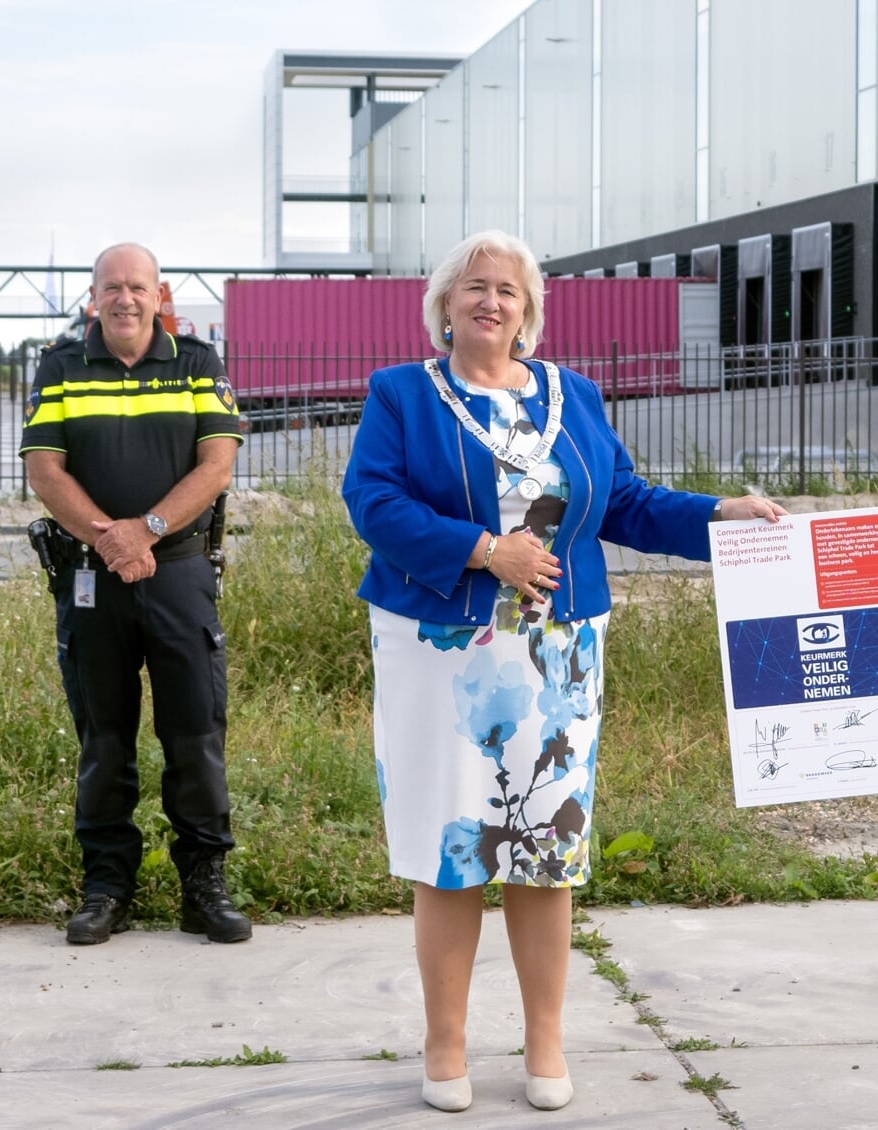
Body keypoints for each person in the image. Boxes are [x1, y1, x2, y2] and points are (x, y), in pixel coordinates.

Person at [341, 230, 785, 1114]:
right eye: (474, 287)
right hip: (441, 654)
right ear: (445, 304)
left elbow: (623, 502)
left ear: (529, 311)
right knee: (451, 845)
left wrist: (722, 513)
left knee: (547, 847)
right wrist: (482, 551)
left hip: (560, 657)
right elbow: (373, 502)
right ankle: (447, 1044)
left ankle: (545, 1041)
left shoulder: (572, 396)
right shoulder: (400, 395)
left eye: (507, 290)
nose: (491, 302)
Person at [19, 242, 250, 947]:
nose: (124, 298)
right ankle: (106, 887)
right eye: (111, 287)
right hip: (93, 579)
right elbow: (44, 470)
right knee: (104, 738)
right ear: (94, 297)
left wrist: (145, 532)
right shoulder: (60, 367)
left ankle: (203, 887)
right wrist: (108, 538)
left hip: (178, 574)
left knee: (195, 737)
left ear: (160, 294)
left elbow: (217, 465)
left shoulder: (196, 364)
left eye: (137, 286)